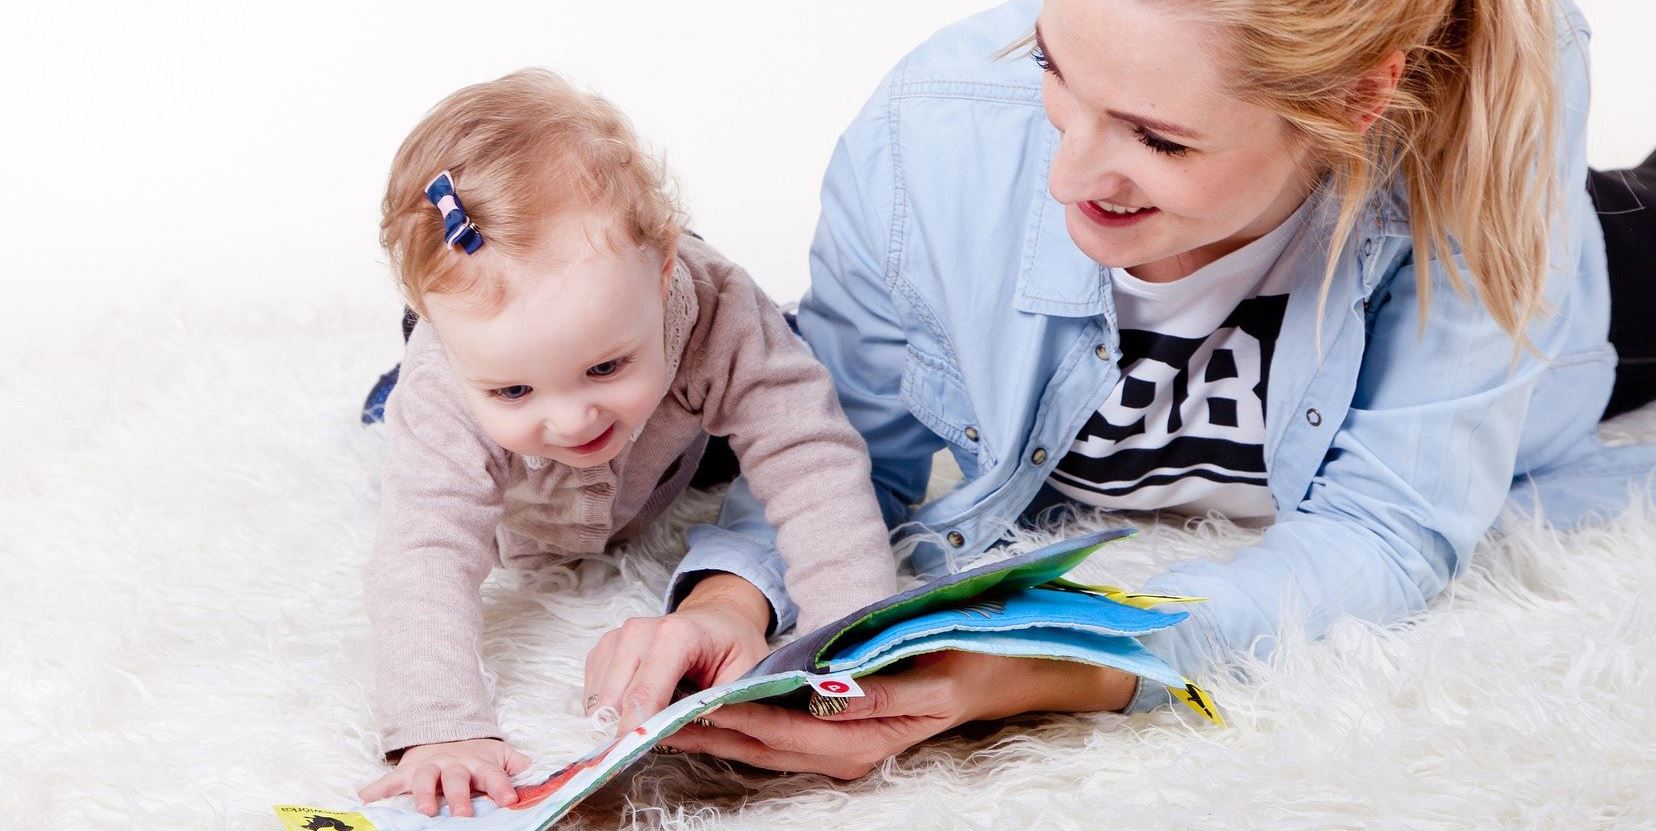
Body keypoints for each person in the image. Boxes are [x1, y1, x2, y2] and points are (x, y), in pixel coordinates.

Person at [586, 0, 1656, 778]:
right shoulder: (930, 140)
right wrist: (734, 595)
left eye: (1158, 137)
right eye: (1053, 66)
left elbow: (1389, 532)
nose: (1064, 177)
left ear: (1360, 96)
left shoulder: (1476, 123)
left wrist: (1057, 663)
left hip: (1601, 302)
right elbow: (839, 441)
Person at [355, 69, 899, 815]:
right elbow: (422, 551)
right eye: (514, 390)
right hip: (520, 484)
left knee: (790, 371)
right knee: (400, 422)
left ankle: (668, 373)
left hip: (664, 449)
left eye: (604, 365)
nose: (574, 420)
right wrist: (440, 728)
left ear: (665, 265)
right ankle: (408, 383)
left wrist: (860, 636)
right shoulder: (445, 383)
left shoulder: (712, 304)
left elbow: (811, 456)